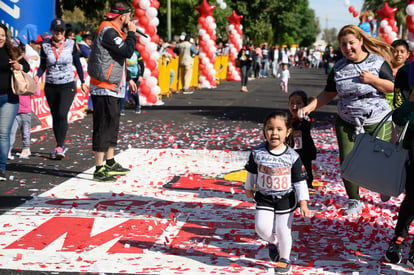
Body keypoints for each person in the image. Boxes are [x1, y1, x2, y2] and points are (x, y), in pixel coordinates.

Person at [300, 24, 394, 216]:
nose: (348, 48)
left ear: (360, 41)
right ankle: (354, 201)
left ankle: (384, 182)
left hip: (377, 118)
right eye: (343, 45)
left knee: (378, 159)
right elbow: (328, 93)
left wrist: (373, 80)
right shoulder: (339, 68)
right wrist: (309, 107)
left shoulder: (377, 62)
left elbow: (392, 87)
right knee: (348, 161)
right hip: (347, 119)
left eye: (351, 43)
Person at [244, 111, 310, 274]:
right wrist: (248, 187)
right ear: (264, 130)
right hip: (264, 197)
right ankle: (272, 242)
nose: (274, 133)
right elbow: (252, 172)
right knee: (261, 228)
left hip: (286, 199)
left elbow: (300, 181)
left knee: (283, 230)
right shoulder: (257, 152)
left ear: (288, 132)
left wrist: (303, 202)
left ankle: (284, 258)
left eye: (279, 129)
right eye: (270, 129)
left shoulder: (292, 156)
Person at [87, 0, 137, 182]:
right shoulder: (108, 30)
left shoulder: (115, 31)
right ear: (123, 16)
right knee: (103, 125)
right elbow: (127, 51)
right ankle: (99, 168)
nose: (130, 19)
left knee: (113, 124)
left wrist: (129, 79)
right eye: (129, 16)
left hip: (115, 86)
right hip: (103, 86)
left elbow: (117, 59)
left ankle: (110, 161)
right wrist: (132, 33)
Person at [35, 18, 87, 160]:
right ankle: (59, 145)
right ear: (52, 31)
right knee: (55, 116)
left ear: (64, 32)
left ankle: (60, 145)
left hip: (67, 85)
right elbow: (42, 66)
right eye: (56, 30)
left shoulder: (71, 44)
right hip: (51, 86)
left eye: (61, 30)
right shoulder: (45, 45)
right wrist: (36, 77)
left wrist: (82, 80)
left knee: (62, 114)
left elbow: (77, 62)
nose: (59, 33)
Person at [384, 61, 414, 266]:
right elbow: (399, 115)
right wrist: (411, 100)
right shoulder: (407, 72)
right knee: (413, 194)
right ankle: (398, 239)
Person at [0, 23, 30, 180]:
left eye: (3, 35)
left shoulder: (12, 51)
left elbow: (27, 66)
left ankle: (1, 168)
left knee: (3, 134)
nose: (0, 38)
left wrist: (19, 66)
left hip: (9, 99)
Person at [9, 35, 42, 160]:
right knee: (10, 131)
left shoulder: (25, 72)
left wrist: (35, 81)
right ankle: (7, 150)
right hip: (12, 106)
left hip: (25, 108)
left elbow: (36, 92)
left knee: (25, 130)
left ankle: (26, 147)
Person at [288, 90, 317, 193]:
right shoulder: (287, 119)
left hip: (305, 149)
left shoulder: (305, 118)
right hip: (291, 148)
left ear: (305, 105)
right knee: (290, 166)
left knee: (306, 166)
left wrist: (303, 115)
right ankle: (291, 182)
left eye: (298, 103)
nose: (294, 106)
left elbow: (307, 122)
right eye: (292, 103)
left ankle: (308, 183)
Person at [387, 39, 410, 108]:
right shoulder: (384, 68)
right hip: (384, 108)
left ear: (408, 54)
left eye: (402, 52)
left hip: (403, 109)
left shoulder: (409, 71)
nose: (399, 54)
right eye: (395, 51)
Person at [120, 48, 144, 115]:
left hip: (136, 76)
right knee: (123, 91)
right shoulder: (124, 53)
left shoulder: (137, 53)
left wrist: (141, 75)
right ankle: (121, 109)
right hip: (127, 76)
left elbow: (142, 65)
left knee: (134, 92)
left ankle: (137, 106)